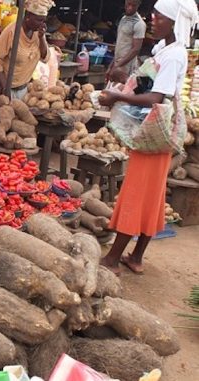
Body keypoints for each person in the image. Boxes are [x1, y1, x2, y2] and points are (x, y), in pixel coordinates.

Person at [99, 0, 198, 275]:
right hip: (156, 133)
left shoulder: (175, 54)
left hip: (155, 133)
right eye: (154, 14)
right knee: (152, 194)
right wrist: (124, 79)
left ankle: (113, 259)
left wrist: (118, 95)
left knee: (137, 192)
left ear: (174, 22)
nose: (153, 19)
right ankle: (137, 257)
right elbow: (149, 85)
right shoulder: (164, 49)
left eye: (159, 16)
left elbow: (156, 97)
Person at [0, 0, 54, 99]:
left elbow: (45, 58)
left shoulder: (38, 32)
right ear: (28, 16)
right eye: (39, 20)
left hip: (23, 89)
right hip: (4, 87)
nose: (42, 24)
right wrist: (5, 89)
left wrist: (41, 38)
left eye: (43, 21)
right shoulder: (11, 32)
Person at [107, 0, 146, 80]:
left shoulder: (139, 24)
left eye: (134, 5)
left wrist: (118, 65)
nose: (130, 7)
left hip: (127, 68)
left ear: (138, 5)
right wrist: (111, 65)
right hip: (118, 63)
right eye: (128, 4)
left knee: (124, 89)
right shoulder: (123, 19)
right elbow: (119, 45)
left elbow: (135, 49)